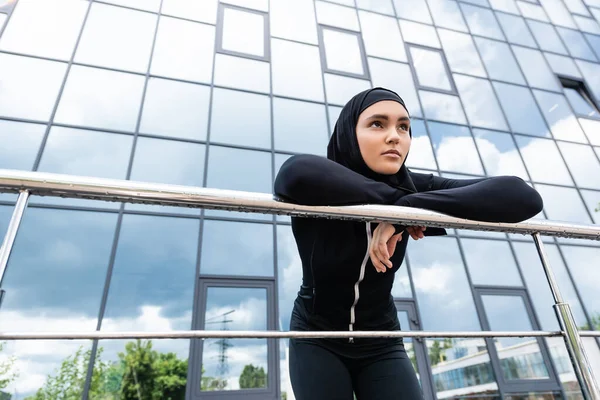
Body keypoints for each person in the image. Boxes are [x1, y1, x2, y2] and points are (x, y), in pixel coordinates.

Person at [273, 87, 543, 400]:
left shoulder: (414, 186)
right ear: (349, 133)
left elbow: (522, 196)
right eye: (378, 124)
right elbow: (293, 173)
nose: (395, 136)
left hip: (382, 339)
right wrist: (403, 207)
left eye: (404, 127)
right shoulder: (322, 181)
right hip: (316, 336)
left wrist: (405, 211)